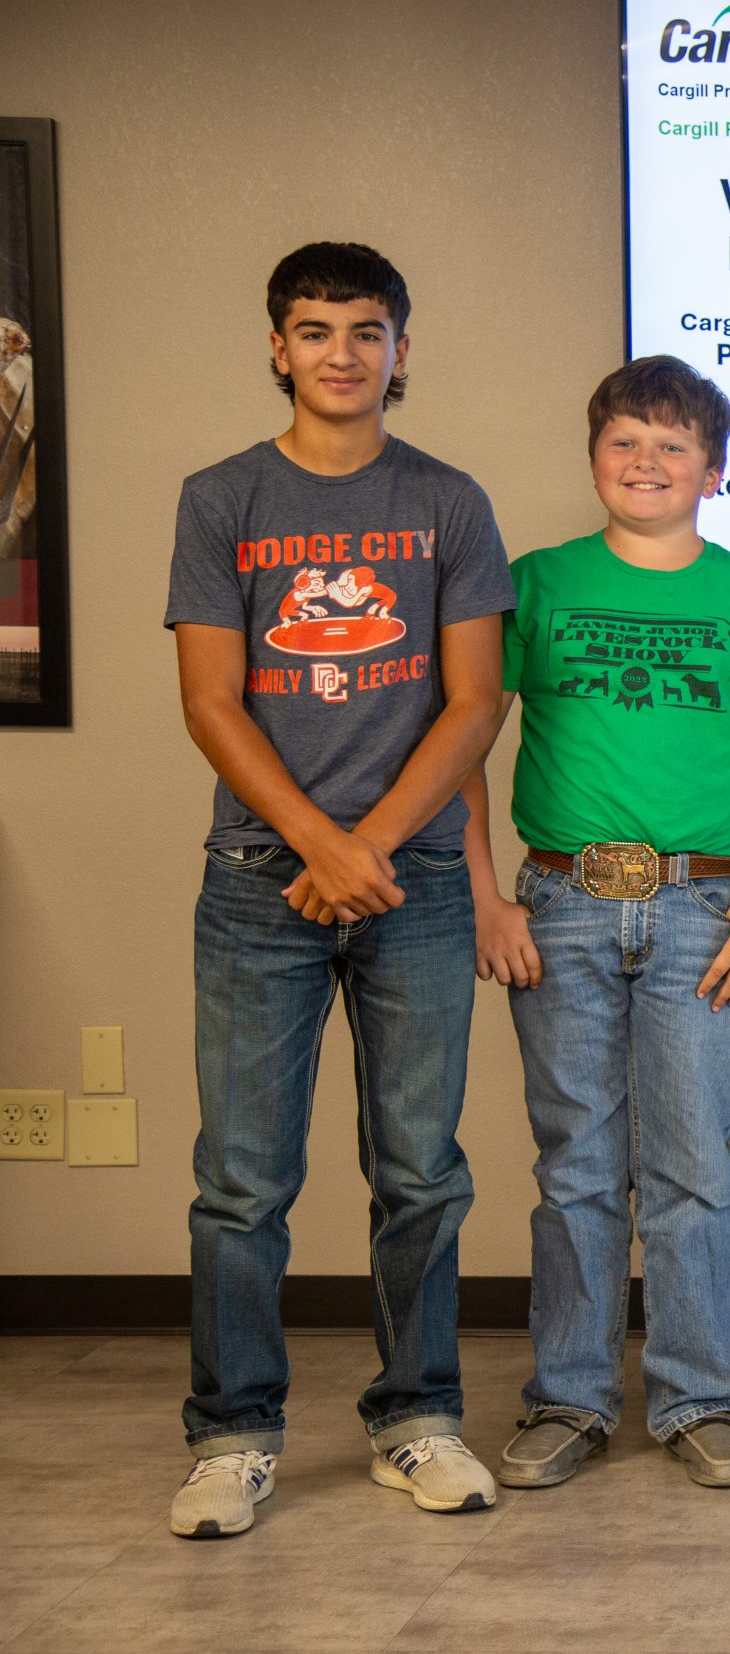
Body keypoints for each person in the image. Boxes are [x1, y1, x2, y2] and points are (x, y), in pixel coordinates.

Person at [164, 241, 514, 1538]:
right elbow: (212, 701)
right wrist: (321, 842)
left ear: (401, 349)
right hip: (262, 881)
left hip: (413, 883)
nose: (342, 354)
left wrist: (370, 847)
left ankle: (418, 1416)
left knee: (420, 1168)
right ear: (277, 347)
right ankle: (234, 1432)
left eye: (366, 331)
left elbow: (475, 703)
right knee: (243, 1180)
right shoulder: (223, 498)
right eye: (314, 331)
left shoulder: (448, 502)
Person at [463, 355, 730, 1491]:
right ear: (594, 458)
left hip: (706, 910)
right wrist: (488, 897)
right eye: (625, 443)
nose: (647, 464)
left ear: (714, 472)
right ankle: (570, 1401)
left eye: (672, 447)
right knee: (576, 1163)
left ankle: (694, 1399)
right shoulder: (533, 585)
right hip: (562, 904)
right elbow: (461, 746)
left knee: (692, 1168)